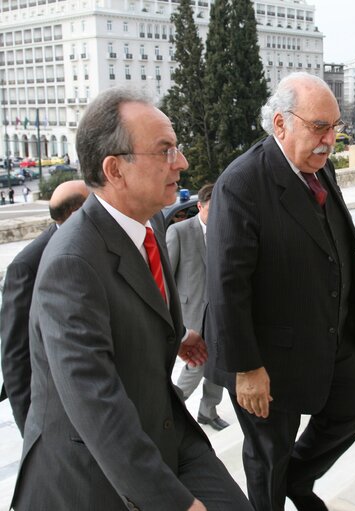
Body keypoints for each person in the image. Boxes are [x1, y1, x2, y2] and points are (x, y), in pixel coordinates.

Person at [9, 86, 252, 511]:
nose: (183, 162)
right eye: (165, 151)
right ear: (115, 169)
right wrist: (175, 504)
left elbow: (132, 302)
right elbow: (96, 406)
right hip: (92, 474)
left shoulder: (149, 222)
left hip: (163, 428)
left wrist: (177, 334)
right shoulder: (70, 264)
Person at [204, 72, 355, 511]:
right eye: (319, 126)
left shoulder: (323, 167)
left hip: (326, 339)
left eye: (335, 127)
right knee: (267, 459)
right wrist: (247, 369)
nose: (331, 139)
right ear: (280, 124)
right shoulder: (241, 183)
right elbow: (227, 285)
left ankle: (297, 482)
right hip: (267, 359)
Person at [0, 180, 90, 435]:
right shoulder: (27, 264)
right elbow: (15, 354)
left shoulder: (91, 245)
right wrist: (31, 428)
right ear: (75, 212)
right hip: (53, 410)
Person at [167, 183, 229, 431]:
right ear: (200, 206)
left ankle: (208, 410)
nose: (217, 216)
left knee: (220, 364)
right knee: (197, 365)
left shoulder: (226, 230)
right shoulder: (179, 232)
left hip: (220, 313)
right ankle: (171, 408)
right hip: (192, 314)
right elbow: (167, 279)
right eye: (212, 209)